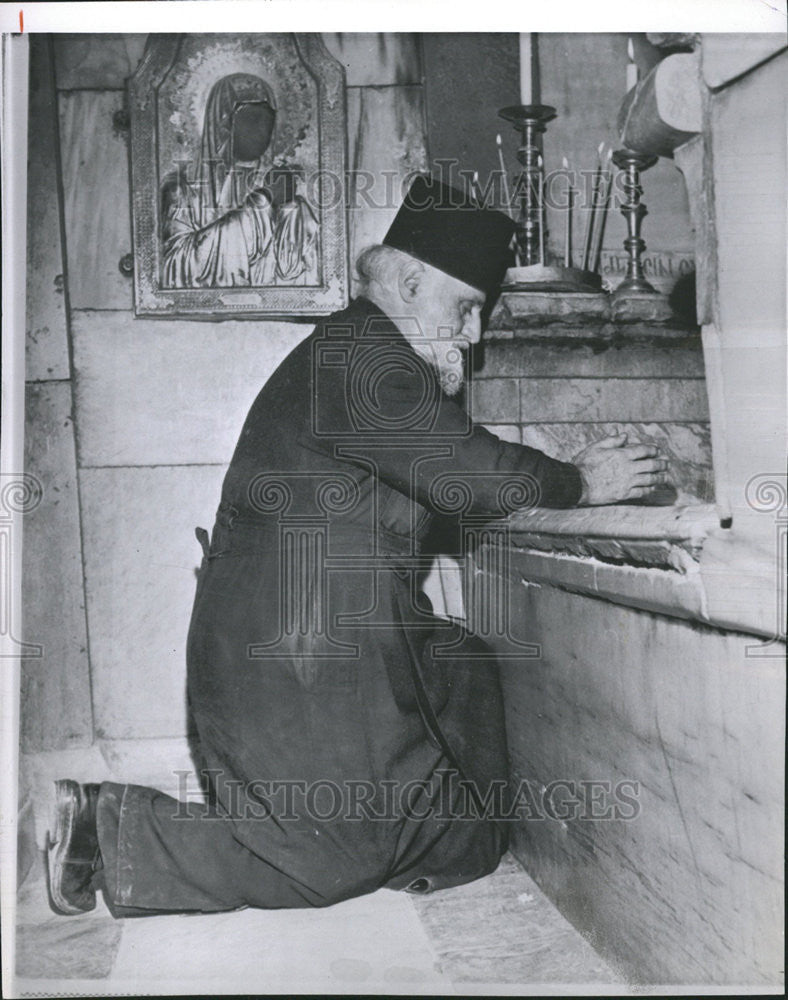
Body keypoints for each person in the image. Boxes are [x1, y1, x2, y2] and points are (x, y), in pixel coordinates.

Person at [48, 175, 668, 916]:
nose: (474, 337)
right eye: (467, 309)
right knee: (321, 862)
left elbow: (443, 484)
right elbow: (465, 470)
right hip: (292, 655)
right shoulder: (364, 355)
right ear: (408, 282)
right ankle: (104, 827)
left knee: (460, 817)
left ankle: (387, 830)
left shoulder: (368, 353)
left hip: (331, 644)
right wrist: (579, 481)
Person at [161, 72, 318, 288]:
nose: (263, 131)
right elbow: (176, 268)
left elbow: (299, 269)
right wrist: (263, 203)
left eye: (269, 121)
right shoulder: (184, 190)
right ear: (223, 124)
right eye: (252, 119)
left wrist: (290, 209)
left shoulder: (279, 182)